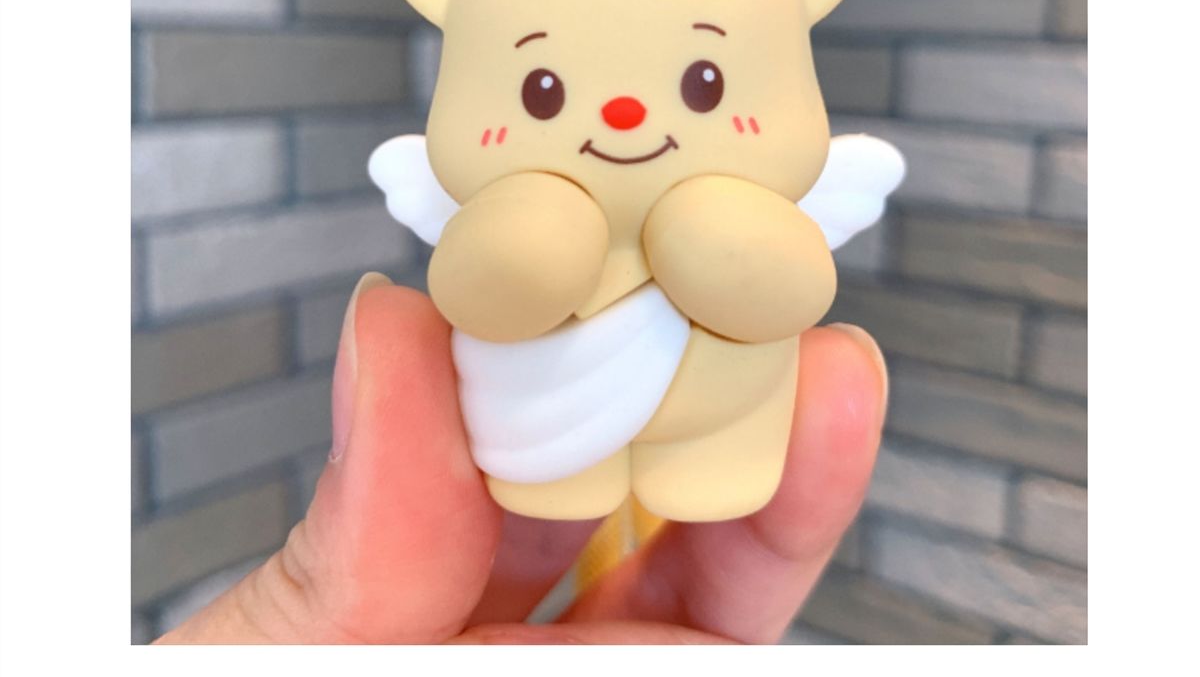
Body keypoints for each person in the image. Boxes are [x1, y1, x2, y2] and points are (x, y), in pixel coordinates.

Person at [156, 276, 887, 644]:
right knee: (555, 476)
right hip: (547, 419)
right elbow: (472, 277)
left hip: (721, 413)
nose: (626, 113)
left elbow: (799, 280)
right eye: (544, 91)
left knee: (724, 460)